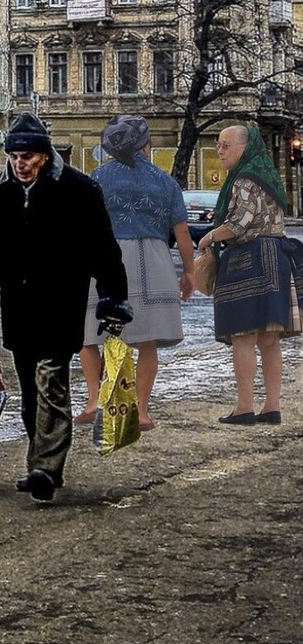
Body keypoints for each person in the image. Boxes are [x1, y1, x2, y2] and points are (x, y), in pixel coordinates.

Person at [0, 113, 129, 504]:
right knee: (29, 391)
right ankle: (42, 459)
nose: (20, 164)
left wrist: (113, 299)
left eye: (28, 156)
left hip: (61, 302)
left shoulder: (79, 191)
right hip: (18, 306)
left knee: (50, 381)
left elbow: (104, 250)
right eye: (14, 156)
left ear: (45, 155)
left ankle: (46, 468)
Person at [76, 115, 194, 431]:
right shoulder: (164, 181)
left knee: (89, 334)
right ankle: (140, 412)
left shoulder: (98, 177)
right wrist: (189, 272)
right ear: (145, 144)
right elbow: (182, 232)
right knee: (147, 341)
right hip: (152, 261)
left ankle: (94, 401)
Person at [195, 123, 298, 426]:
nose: (219, 150)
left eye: (226, 145)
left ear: (245, 147)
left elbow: (239, 223)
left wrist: (210, 237)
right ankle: (272, 407)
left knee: (243, 336)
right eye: (218, 144)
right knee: (269, 339)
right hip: (275, 256)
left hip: (248, 258)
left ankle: (244, 407)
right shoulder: (267, 175)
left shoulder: (244, 179)